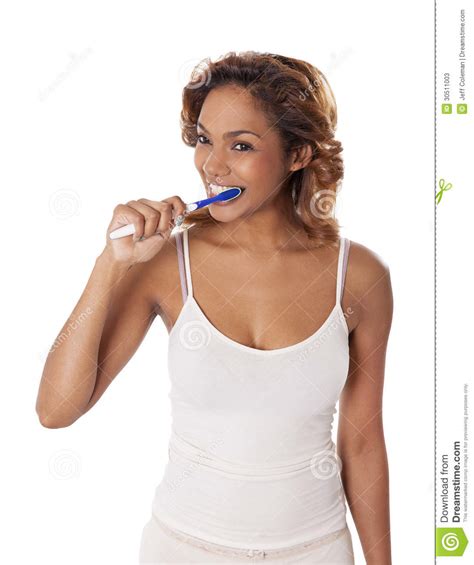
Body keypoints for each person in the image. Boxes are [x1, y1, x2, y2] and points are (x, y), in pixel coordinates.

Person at [36, 51, 393, 564]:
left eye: (241, 145)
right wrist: (109, 265)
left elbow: (362, 444)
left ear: (298, 155)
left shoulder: (359, 277)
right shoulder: (164, 263)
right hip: (182, 549)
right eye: (204, 140)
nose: (213, 165)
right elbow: (56, 410)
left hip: (317, 551)